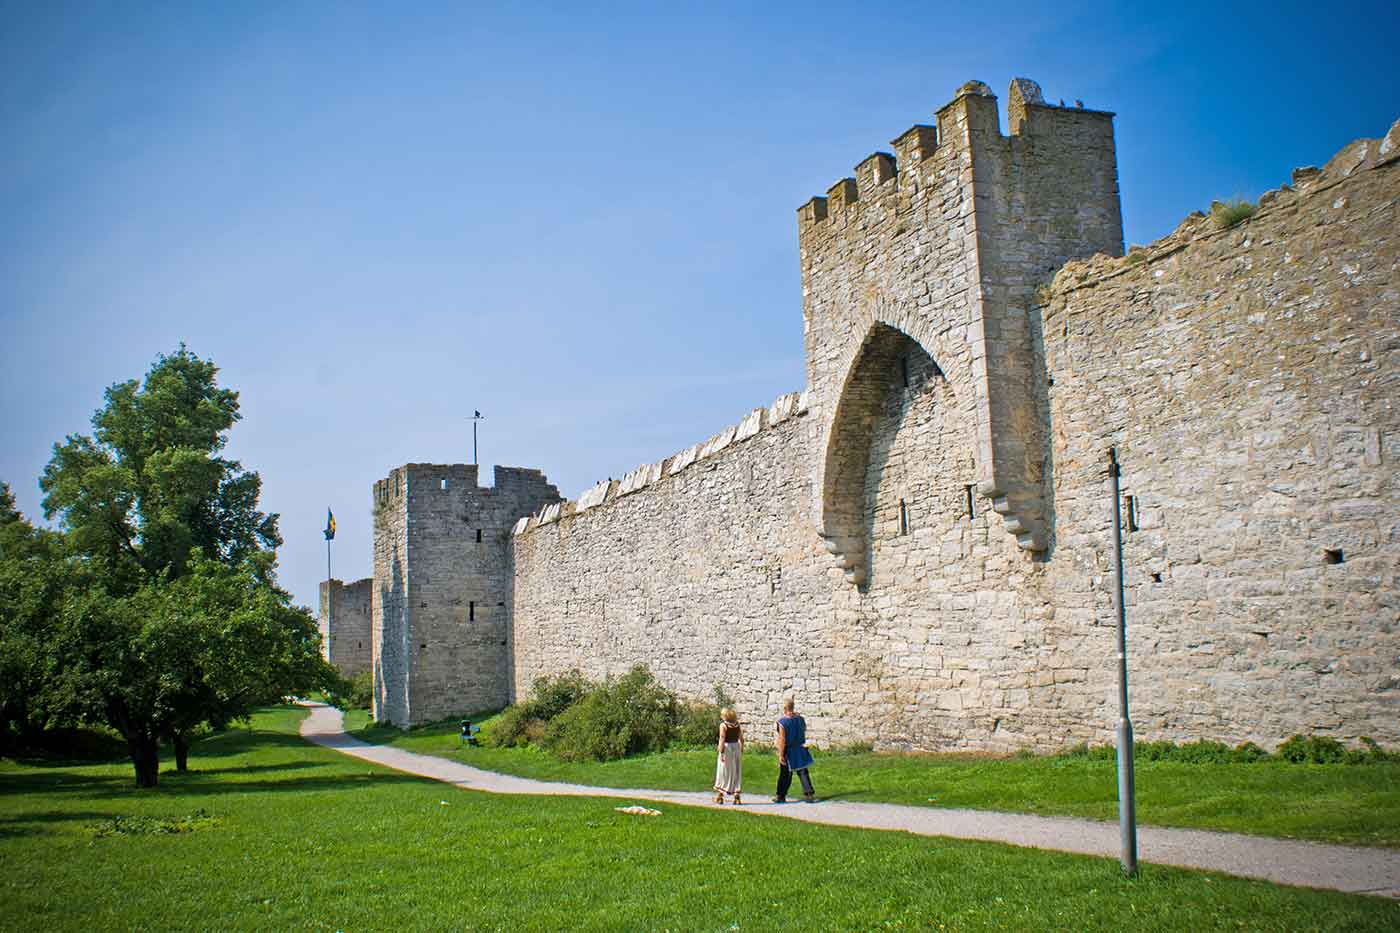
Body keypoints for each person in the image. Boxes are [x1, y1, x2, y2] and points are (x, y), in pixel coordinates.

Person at [772, 697, 815, 803]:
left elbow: (782, 739)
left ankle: (780, 796)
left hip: (789, 749)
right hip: (800, 748)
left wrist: (781, 754)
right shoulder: (800, 719)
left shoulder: (782, 722)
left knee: (785, 774)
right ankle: (809, 794)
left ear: (785, 708)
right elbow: (803, 729)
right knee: (803, 772)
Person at [713, 707, 744, 805]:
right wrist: (741, 747)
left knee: (724, 771)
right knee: (736, 771)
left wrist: (721, 750)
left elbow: (722, 737)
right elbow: (741, 738)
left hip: (727, 748)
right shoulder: (737, 725)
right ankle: (736, 795)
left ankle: (720, 795)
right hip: (736, 747)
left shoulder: (724, 725)